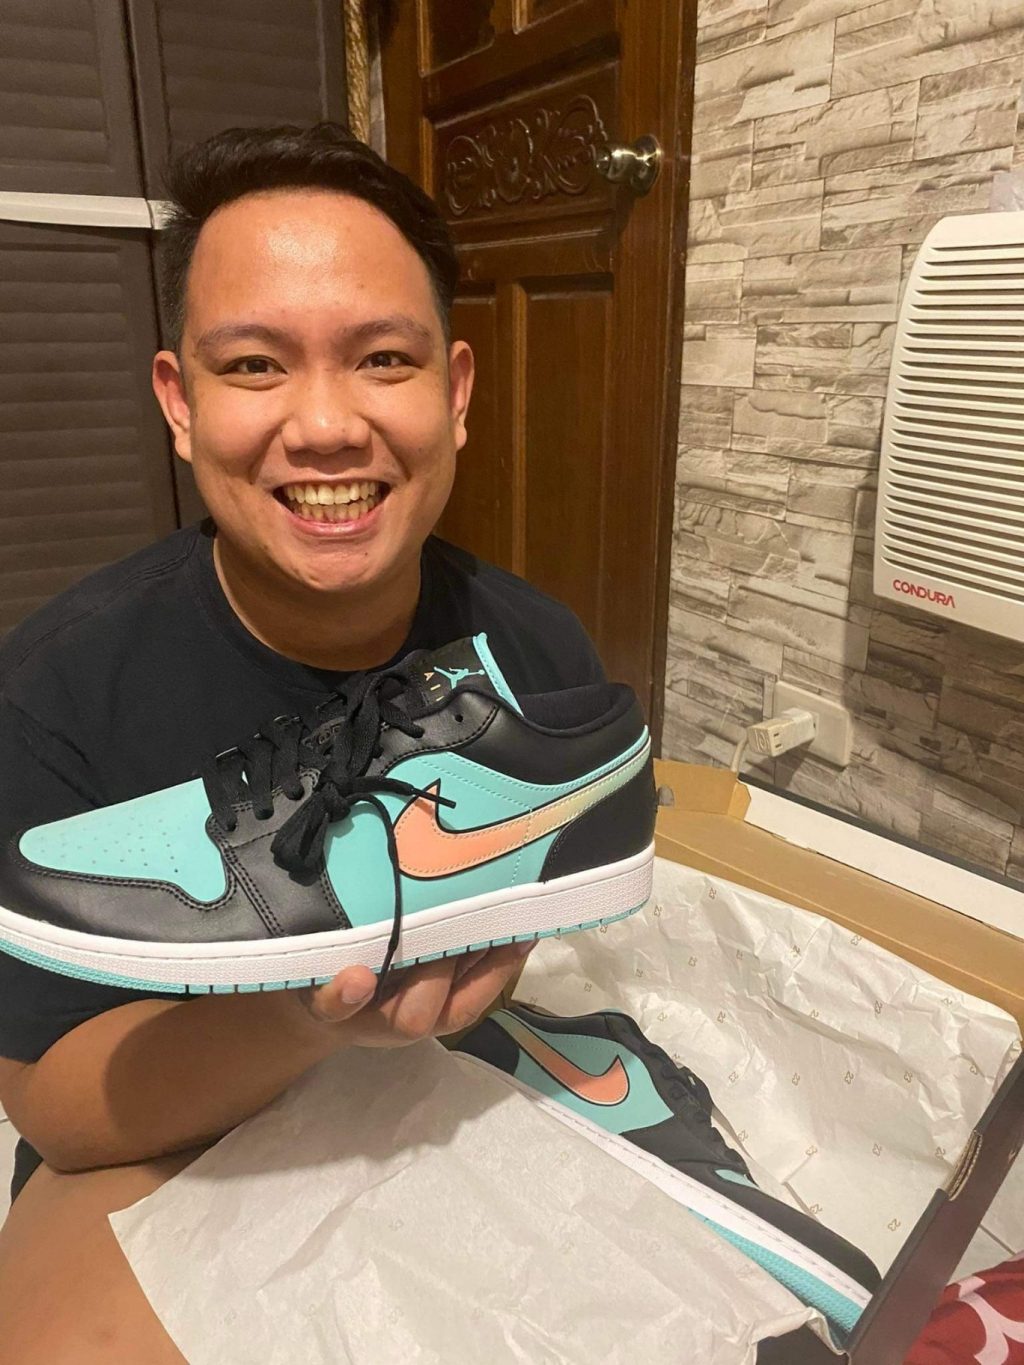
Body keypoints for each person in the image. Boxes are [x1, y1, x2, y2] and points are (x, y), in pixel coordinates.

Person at [0, 123, 606, 1363]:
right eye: (255, 365)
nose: (326, 426)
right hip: (168, 1136)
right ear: (180, 403)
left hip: (449, 1097)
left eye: (382, 358)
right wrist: (312, 1016)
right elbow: (58, 1112)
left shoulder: (536, 654)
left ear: (455, 393)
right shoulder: (49, 693)